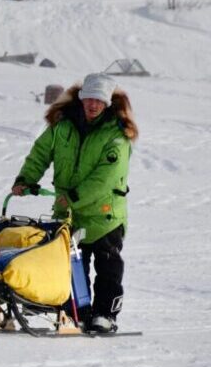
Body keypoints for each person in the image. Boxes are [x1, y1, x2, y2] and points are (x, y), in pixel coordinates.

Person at [11, 73, 138, 333]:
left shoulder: (116, 135)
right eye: (89, 99)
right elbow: (40, 153)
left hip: (103, 216)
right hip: (68, 213)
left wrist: (73, 197)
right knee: (68, 264)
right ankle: (76, 312)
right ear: (81, 99)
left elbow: (106, 178)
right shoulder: (62, 127)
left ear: (107, 104)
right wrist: (26, 179)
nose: (93, 105)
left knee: (107, 267)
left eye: (99, 101)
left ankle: (105, 315)